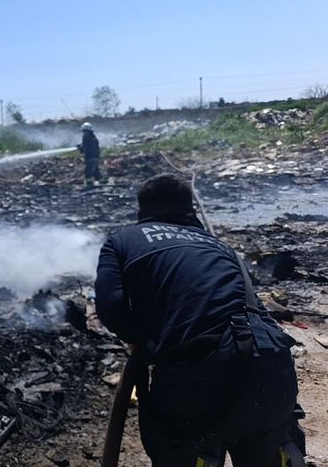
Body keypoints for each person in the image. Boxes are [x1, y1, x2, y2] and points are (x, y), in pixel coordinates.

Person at [94, 173, 304, 467]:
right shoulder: (219, 246)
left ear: (140, 212)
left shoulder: (122, 241)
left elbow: (111, 306)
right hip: (272, 367)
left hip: (197, 377)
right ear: (191, 210)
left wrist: (141, 340)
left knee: (185, 446)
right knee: (269, 443)